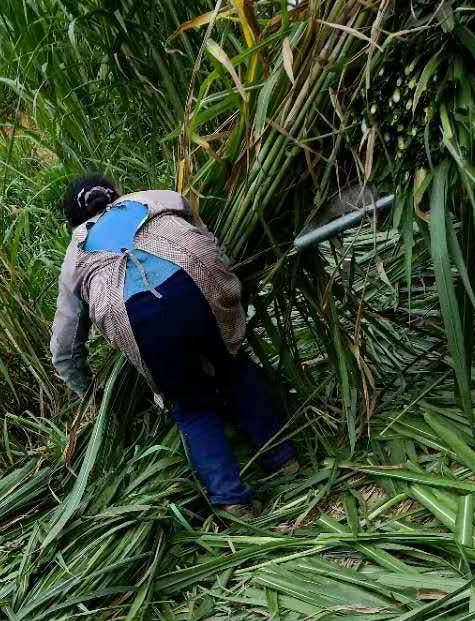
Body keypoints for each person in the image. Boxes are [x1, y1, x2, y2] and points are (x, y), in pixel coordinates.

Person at [49, 174, 295, 516]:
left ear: (76, 221)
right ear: (116, 194)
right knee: (232, 368)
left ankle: (234, 501)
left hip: (138, 316)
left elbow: (63, 351)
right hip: (197, 282)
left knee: (191, 405)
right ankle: (284, 462)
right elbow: (211, 246)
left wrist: (92, 395)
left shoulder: (75, 254)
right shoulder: (158, 198)